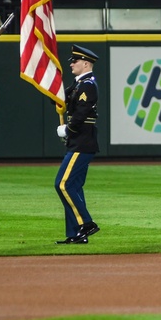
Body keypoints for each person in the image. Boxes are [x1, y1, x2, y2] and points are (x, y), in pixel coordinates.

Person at [54, 45, 101, 245]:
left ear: (86, 63)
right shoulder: (77, 84)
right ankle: (75, 233)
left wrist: (68, 129)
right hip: (78, 140)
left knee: (62, 184)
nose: (71, 64)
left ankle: (86, 223)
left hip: (82, 140)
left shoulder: (88, 84)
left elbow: (81, 111)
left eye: (75, 61)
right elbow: (60, 101)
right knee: (73, 185)